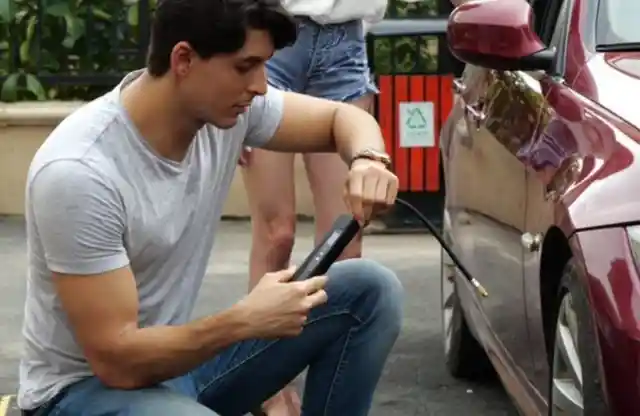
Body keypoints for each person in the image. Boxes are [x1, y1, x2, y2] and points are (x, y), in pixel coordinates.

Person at [17, 0, 403, 415]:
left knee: (368, 289)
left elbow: (341, 118)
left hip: (175, 372)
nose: (260, 85)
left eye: (264, 66)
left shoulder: (228, 112)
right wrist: (242, 321)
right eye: (245, 67)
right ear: (183, 59)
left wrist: (368, 158)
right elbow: (116, 361)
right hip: (83, 391)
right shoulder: (80, 173)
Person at [239, 0, 388, 284]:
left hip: (344, 41)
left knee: (343, 241)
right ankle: (263, 329)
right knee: (276, 236)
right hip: (270, 36)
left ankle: (328, 329)